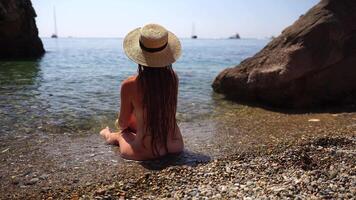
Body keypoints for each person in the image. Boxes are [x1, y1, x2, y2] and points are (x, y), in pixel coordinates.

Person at [100, 24, 184, 161]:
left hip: (147, 151)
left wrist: (125, 125)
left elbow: (123, 123)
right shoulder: (173, 78)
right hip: (176, 145)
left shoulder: (130, 84)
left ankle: (106, 134)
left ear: (140, 54)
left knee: (121, 133)